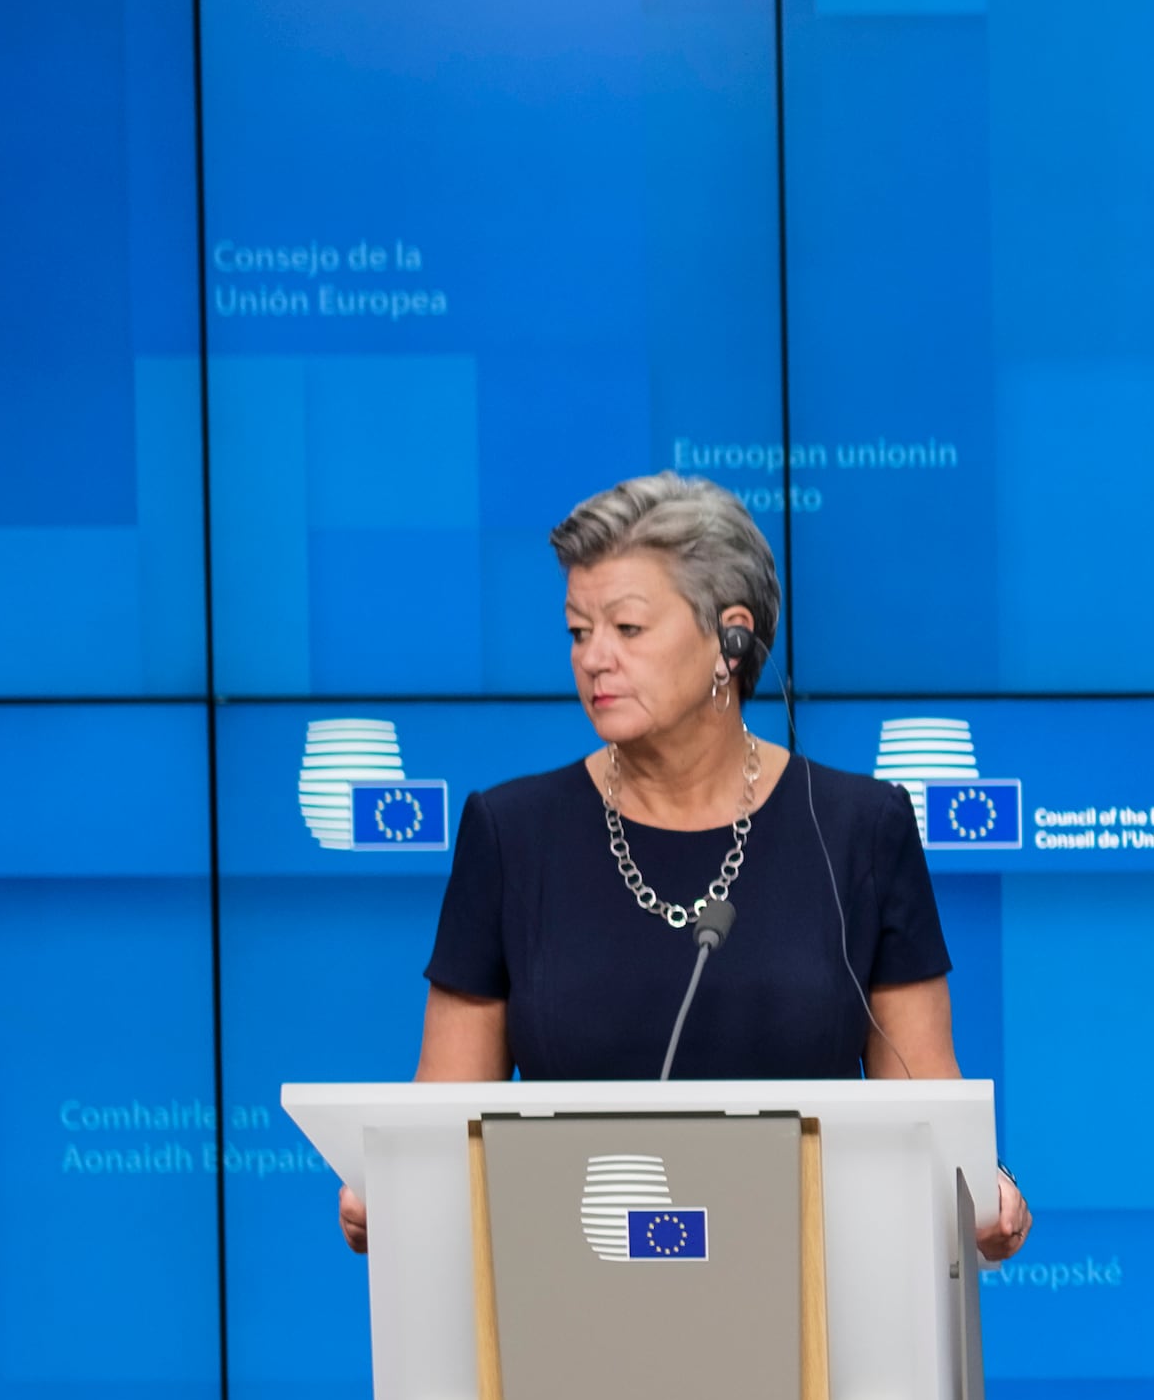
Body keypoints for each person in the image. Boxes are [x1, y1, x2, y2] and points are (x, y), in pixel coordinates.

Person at [333, 472, 1031, 1259]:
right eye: (576, 631)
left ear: (730, 640)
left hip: (815, 1300)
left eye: (627, 628)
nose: (594, 658)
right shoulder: (512, 832)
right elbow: (444, 1114)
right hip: (570, 1302)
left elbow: (925, 1097)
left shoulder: (860, 830)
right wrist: (387, 1187)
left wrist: (984, 1188)